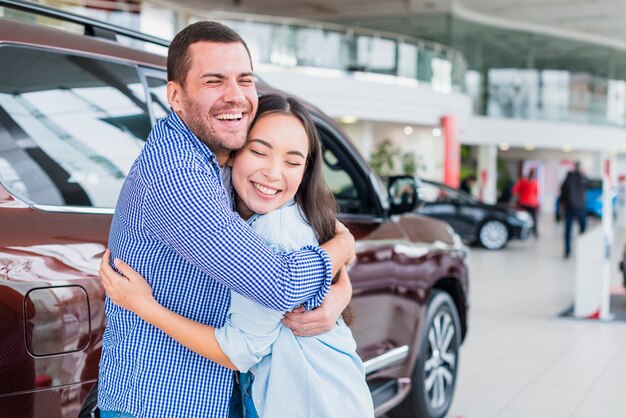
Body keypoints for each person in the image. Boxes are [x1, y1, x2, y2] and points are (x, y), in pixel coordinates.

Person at [98, 22, 355, 418]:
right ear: (176, 96)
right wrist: (343, 247)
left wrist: (341, 289)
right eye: (214, 81)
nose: (234, 96)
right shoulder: (178, 178)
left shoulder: (220, 153)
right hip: (164, 403)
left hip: (216, 395)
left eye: (244, 80)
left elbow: (304, 231)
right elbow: (281, 284)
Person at [560, 162, 588, 258]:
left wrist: (584, 174)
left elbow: (588, 184)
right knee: (568, 231)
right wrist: (562, 203)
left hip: (580, 208)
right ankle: (567, 250)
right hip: (570, 208)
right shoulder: (569, 177)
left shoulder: (583, 178)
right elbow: (563, 191)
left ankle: (583, 250)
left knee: (583, 231)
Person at [512, 168, 539, 237]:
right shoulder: (535, 183)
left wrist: (519, 196)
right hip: (531, 203)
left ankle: (524, 232)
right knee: (533, 219)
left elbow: (515, 191)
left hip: (523, 203)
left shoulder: (523, 181)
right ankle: (535, 232)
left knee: (523, 218)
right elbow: (536, 194)